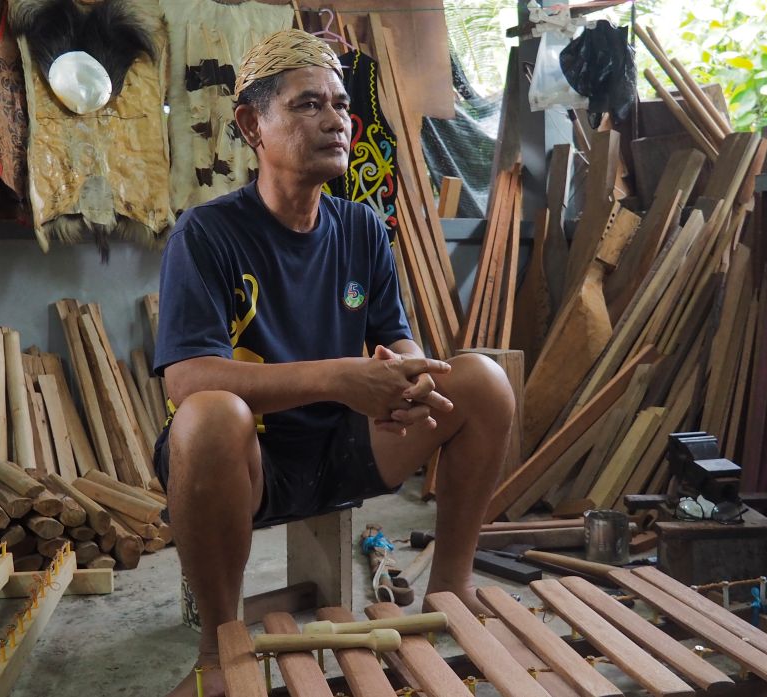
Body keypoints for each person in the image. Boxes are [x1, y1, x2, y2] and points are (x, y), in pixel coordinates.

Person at [152, 29, 515, 697]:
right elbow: (186, 379)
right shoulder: (206, 235)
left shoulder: (362, 228)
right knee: (207, 417)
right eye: (308, 105)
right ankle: (221, 643)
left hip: (345, 446)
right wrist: (339, 377)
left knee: (483, 382)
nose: (336, 121)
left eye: (342, 105)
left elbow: (393, 335)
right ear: (251, 124)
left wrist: (407, 372)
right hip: (249, 461)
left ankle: (451, 590)